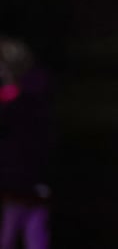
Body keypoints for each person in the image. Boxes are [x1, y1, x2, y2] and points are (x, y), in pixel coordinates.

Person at [0, 36, 53, 249]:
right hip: (28, 180)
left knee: (16, 235)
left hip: (24, 181)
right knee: (30, 234)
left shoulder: (23, 100)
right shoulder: (29, 94)